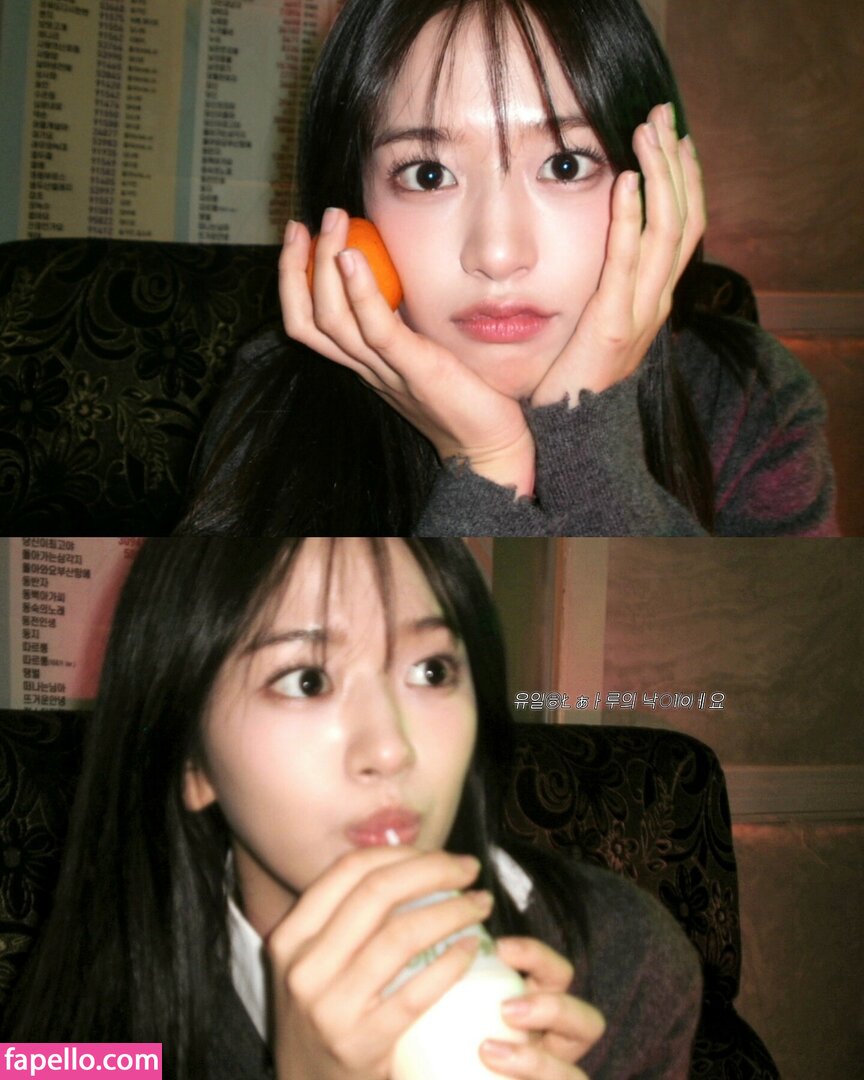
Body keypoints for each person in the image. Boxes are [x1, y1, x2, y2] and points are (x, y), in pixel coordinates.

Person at [7, 538, 701, 1079]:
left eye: (431, 670)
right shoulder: (83, 1023)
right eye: (306, 681)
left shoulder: (621, 959)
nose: (391, 749)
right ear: (191, 761)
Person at [177, 0, 836, 537]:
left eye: (565, 165)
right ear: (352, 212)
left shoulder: (748, 396)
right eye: (428, 174)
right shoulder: (277, 392)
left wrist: (585, 440)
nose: (497, 254)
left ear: (659, 186)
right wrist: (486, 465)